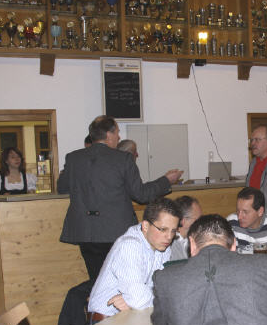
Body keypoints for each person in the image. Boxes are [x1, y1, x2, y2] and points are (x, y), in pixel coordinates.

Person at [58, 115, 183, 281]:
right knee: (120, 280)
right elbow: (141, 195)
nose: (119, 137)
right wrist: (166, 180)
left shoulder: (73, 158)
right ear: (108, 134)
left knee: (97, 281)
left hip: (85, 232)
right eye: (117, 132)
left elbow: (61, 188)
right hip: (115, 231)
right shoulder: (123, 159)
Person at [88, 197, 181, 316]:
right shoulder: (130, 246)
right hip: (106, 320)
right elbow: (138, 299)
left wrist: (134, 299)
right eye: (163, 229)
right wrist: (137, 299)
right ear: (145, 226)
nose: (169, 237)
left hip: (136, 314)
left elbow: (165, 287)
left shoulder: (163, 246)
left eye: (173, 231)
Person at [169, 195, 202, 261]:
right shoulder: (168, 244)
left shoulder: (196, 240)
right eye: (198, 220)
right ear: (183, 221)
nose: (201, 224)